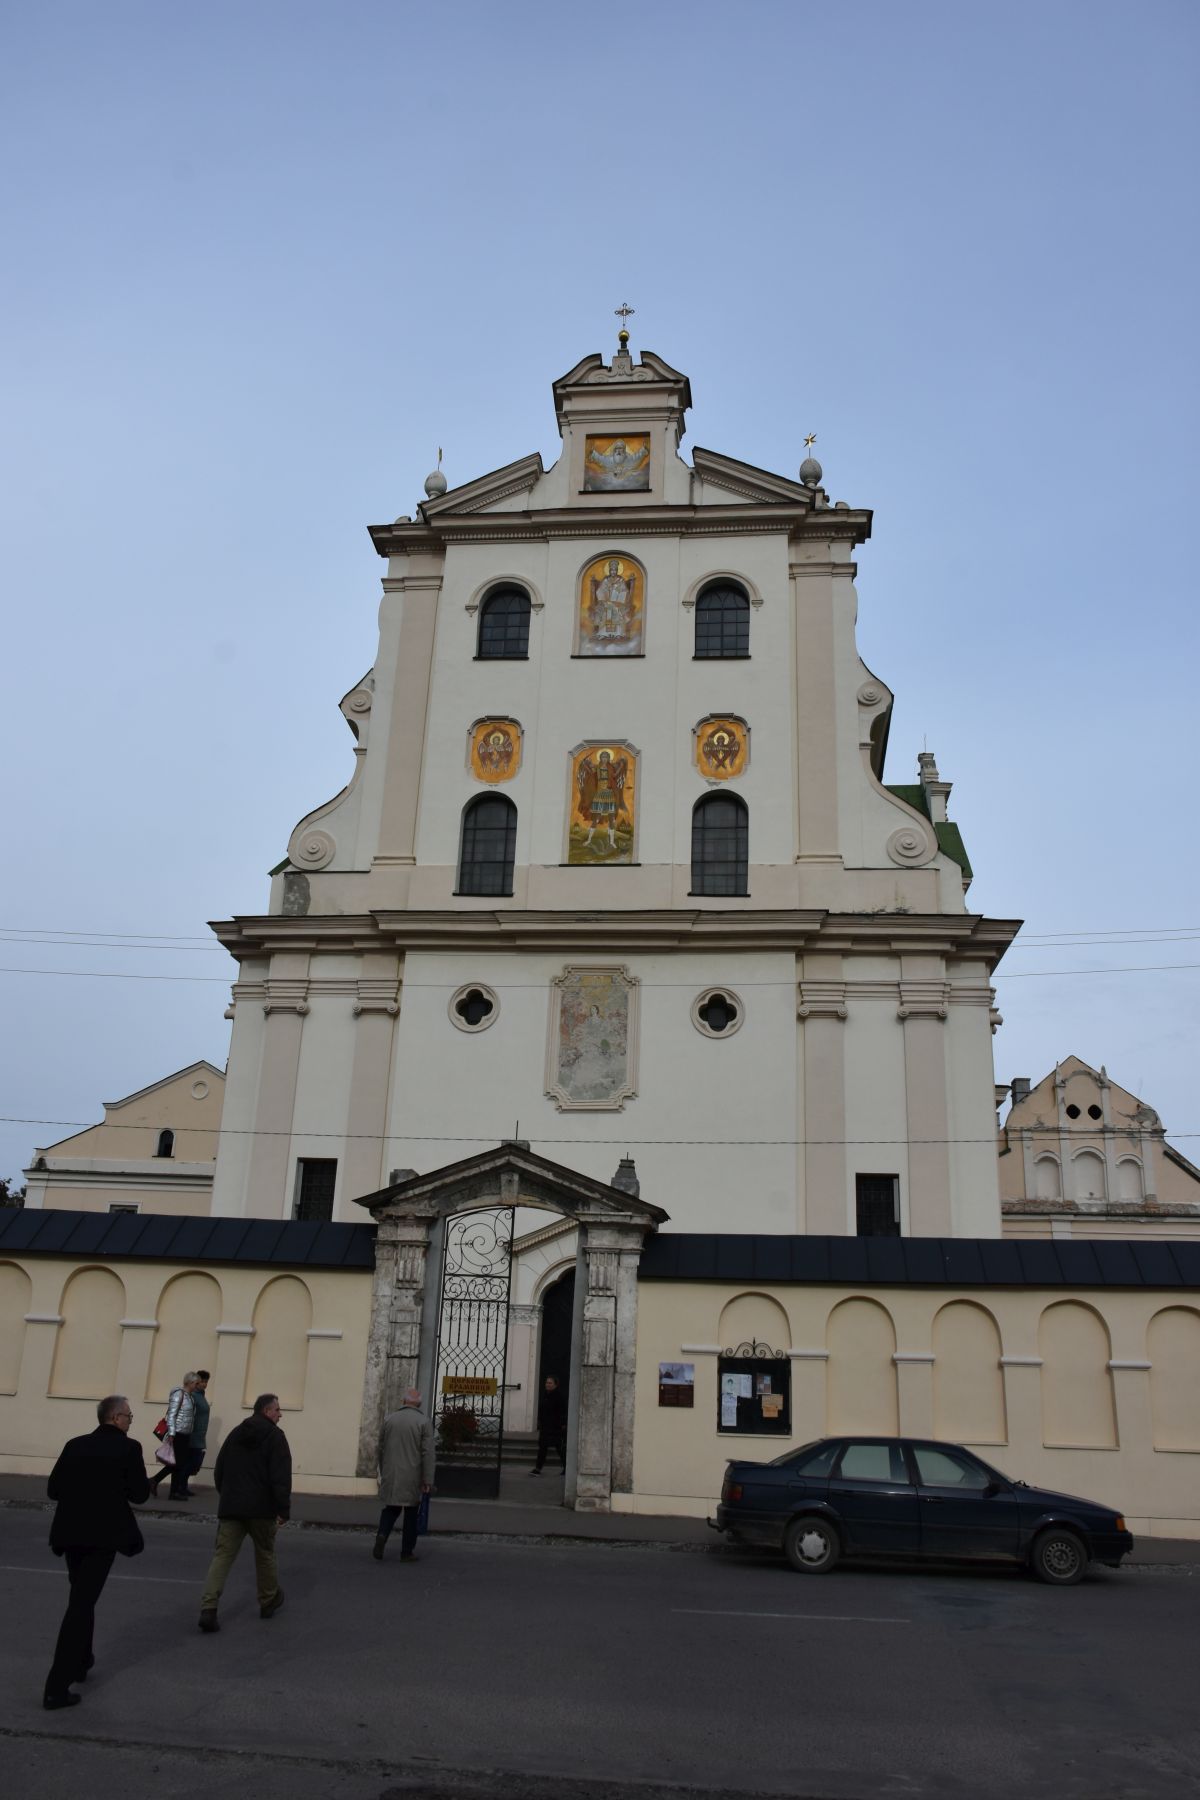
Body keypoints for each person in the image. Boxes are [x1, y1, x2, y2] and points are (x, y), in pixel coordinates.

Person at [43, 1394, 150, 1710]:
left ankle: (82, 1660)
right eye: (129, 1416)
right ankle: (55, 1687)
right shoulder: (129, 1448)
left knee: (81, 1596)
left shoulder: (75, 1444)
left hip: (69, 1534)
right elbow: (140, 1494)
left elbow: (54, 1489)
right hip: (102, 1538)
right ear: (116, 1418)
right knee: (80, 1605)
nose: (131, 1421)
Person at [197, 1393, 291, 1633]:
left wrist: (226, 1494)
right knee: (265, 1554)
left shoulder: (236, 1433)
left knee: (222, 1557)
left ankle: (209, 1607)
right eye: (277, 1410)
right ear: (267, 1411)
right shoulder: (275, 1437)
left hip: (232, 1507)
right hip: (262, 1509)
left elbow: (220, 1469)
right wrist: (283, 1509)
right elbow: (280, 1477)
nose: (280, 1414)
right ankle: (268, 1599)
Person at [373, 1387, 434, 1563]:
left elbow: (381, 1447)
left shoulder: (389, 1419)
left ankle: (382, 1535)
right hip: (412, 1474)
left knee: (391, 1508)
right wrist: (428, 1479)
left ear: (404, 1401)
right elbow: (427, 1453)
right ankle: (406, 1552)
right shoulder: (423, 1422)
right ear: (419, 1403)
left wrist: (382, 1470)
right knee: (410, 1513)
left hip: (391, 1472)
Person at [149, 1371, 198, 1500]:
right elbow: (171, 1415)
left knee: (178, 1463)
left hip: (185, 1434)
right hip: (177, 1434)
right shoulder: (179, 1395)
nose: (197, 1386)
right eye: (196, 1383)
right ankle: (167, 1488)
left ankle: (164, 1486)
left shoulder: (190, 1397)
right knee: (176, 1463)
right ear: (190, 1382)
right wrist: (171, 1433)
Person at [529, 1375, 567, 1475]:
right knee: (542, 1447)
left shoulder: (559, 1396)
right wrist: (539, 1420)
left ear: (555, 1385)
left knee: (559, 1448)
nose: (547, 1385)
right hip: (545, 1426)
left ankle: (567, 1467)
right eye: (547, 1383)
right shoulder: (545, 1394)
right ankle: (538, 1469)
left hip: (556, 1427)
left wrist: (563, 1424)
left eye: (550, 1383)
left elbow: (563, 1411)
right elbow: (542, 1409)